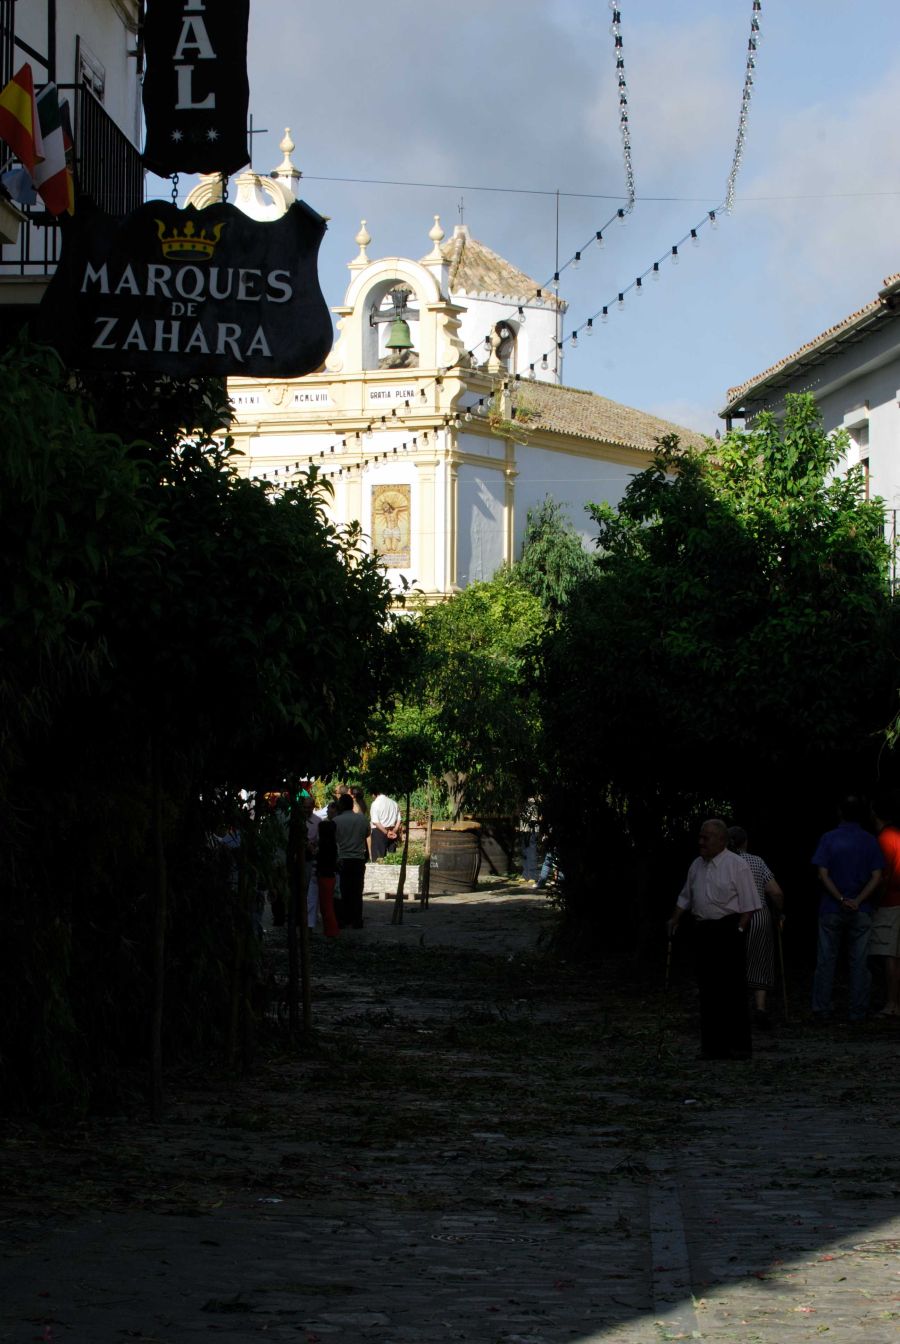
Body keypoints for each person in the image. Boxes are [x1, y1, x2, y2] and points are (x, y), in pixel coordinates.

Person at [668, 817, 762, 1060]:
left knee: (732, 989)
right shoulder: (696, 866)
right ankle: (712, 1047)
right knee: (708, 989)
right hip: (703, 930)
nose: (701, 842)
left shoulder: (736, 865)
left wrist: (739, 930)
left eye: (706, 837)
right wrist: (675, 919)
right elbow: (685, 896)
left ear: (721, 840)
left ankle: (738, 1047)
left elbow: (749, 903)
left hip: (728, 929)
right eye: (700, 836)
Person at [811, 795, 882, 1024]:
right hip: (861, 909)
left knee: (826, 960)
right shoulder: (869, 840)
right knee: (860, 962)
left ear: (840, 812)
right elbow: (877, 875)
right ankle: (857, 1012)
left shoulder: (829, 838)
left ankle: (822, 1009)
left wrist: (840, 898)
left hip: (832, 907)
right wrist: (858, 900)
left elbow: (822, 874)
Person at [727, 825, 785, 1029]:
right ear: (746, 842)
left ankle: (733, 1010)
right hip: (759, 915)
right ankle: (760, 1008)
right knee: (759, 961)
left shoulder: (723, 862)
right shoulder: (757, 861)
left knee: (734, 963)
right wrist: (779, 912)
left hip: (732, 916)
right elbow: (776, 892)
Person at [871, 793, 900, 1017]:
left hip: (890, 903)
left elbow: (883, 876)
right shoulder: (897, 836)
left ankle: (892, 1003)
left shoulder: (884, 839)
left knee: (889, 953)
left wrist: (875, 901)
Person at [334, 792, 369, 928]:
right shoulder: (362, 819)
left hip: (342, 859)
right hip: (358, 859)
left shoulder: (336, 821)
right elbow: (367, 834)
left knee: (343, 890)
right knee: (357, 891)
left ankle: (344, 918)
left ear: (341, 805)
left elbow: (334, 838)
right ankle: (357, 920)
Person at [369, 790, 402, 861]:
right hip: (393, 832)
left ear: (374, 794)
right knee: (392, 859)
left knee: (379, 859)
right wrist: (394, 830)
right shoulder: (394, 803)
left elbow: (375, 822)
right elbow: (399, 819)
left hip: (379, 832)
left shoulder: (375, 803)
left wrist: (387, 832)